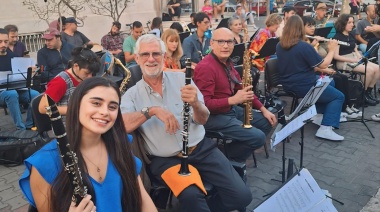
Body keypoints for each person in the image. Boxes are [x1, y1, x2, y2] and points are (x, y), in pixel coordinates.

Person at [121, 34, 251, 212]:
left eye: (156, 54)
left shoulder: (183, 81)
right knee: (191, 197)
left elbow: (203, 119)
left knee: (242, 197)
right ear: (137, 58)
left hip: (201, 148)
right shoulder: (131, 94)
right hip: (166, 159)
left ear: (164, 56)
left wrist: (196, 104)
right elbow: (123, 125)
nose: (151, 59)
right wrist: (151, 111)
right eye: (145, 54)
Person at [19, 77, 157, 211]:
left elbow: (143, 199)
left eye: (112, 107)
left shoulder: (121, 144)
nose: (104, 112)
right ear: (76, 104)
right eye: (96, 103)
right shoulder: (44, 162)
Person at [193, 28, 276, 162]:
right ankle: (223, 158)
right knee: (258, 137)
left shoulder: (227, 62)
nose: (225, 45)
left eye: (229, 42)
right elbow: (205, 105)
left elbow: (242, 87)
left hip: (229, 110)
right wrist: (233, 100)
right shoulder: (206, 67)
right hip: (212, 117)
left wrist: (263, 109)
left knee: (267, 122)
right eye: (220, 42)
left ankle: (228, 154)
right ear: (212, 43)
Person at [277, 15, 345, 141]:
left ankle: (319, 115)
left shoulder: (280, 45)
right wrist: (331, 50)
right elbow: (324, 64)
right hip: (304, 85)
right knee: (338, 96)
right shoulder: (303, 46)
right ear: (301, 29)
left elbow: (302, 63)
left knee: (331, 83)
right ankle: (325, 128)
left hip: (289, 84)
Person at [303, 16, 361, 118]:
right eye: (309, 26)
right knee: (338, 79)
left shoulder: (311, 39)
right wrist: (325, 69)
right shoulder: (304, 42)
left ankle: (347, 105)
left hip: (320, 68)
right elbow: (310, 64)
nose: (313, 28)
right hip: (314, 71)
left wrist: (320, 44)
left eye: (313, 25)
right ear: (302, 27)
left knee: (343, 78)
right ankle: (343, 107)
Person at [38, 47, 99, 122]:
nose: (90, 77)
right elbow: (43, 108)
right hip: (67, 125)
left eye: (92, 73)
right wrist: (74, 110)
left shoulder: (82, 77)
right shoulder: (60, 81)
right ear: (76, 66)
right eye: (87, 73)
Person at [333, 14, 380, 106]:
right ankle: (361, 95)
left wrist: (360, 56)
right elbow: (336, 56)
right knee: (369, 70)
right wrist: (352, 60)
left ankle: (367, 93)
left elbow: (354, 48)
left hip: (353, 57)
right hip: (343, 61)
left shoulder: (351, 35)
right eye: (349, 22)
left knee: (378, 68)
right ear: (343, 24)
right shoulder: (337, 37)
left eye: (352, 22)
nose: (352, 25)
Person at [0, 28, 39, 130]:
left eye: (5, 41)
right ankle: (20, 128)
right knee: (12, 94)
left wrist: (30, 72)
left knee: (35, 95)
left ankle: (30, 124)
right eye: (0, 42)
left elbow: (20, 75)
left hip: (15, 88)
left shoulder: (13, 56)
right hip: (2, 92)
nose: (3, 45)